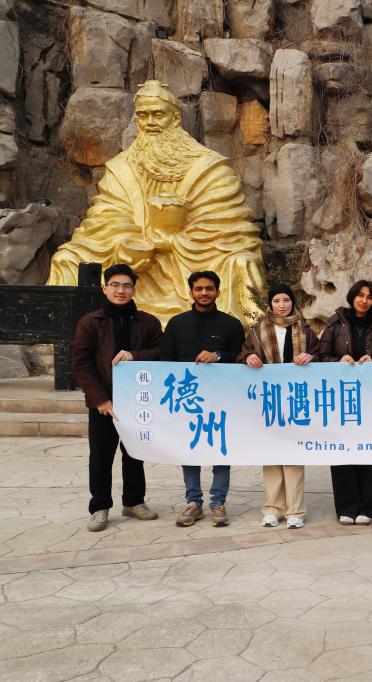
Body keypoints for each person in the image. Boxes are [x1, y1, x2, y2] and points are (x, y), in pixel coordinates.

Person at [47, 80, 266, 323]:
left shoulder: (210, 167)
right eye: (143, 116)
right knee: (66, 258)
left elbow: (228, 225)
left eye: (158, 115)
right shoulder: (121, 167)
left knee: (240, 261)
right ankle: (67, 331)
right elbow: (107, 216)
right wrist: (126, 244)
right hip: (135, 254)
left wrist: (173, 242)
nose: (150, 122)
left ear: (175, 118)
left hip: (194, 254)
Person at [72, 264, 163, 532]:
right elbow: (81, 364)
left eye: (126, 286)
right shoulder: (91, 322)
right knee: (101, 456)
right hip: (104, 403)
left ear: (134, 290)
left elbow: (162, 352)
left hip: (139, 400)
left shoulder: (148, 322)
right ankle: (99, 506)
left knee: (135, 453)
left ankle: (133, 502)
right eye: (115, 285)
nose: (120, 290)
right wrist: (100, 400)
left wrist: (136, 355)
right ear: (104, 288)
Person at [160, 270, 245, 528]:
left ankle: (218, 502)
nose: (204, 293)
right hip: (187, 399)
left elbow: (240, 356)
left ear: (218, 292)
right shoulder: (176, 324)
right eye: (199, 289)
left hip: (222, 399)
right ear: (191, 293)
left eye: (209, 288)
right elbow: (165, 360)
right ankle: (193, 503)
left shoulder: (231, 324)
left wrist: (218, 355)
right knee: (189, 451)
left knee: (221, 450)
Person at [240, 284, 317, 530]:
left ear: (293, 302)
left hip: (297, 401)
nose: (281, 305)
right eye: (276, 301)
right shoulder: (257, 329)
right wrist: (248, 357)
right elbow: (244, 353)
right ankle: (272, 508)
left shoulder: (306, 329)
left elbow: (319, 354)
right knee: (271, 454)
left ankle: (295, 510)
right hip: (268, 401)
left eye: (286, 300)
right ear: (270, 304)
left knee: (293, 455)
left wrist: (311, 357)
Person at [318, 280, 372, 526]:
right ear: (352, 297)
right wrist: (337, 362)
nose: (364, 300)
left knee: (367, 450)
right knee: (341, 450)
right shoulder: (334, 325)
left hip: (370, 401)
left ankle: (367, 508)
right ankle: (346, 507)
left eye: (369, 297)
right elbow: (320, 356)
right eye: (360, 295)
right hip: (340, 399)